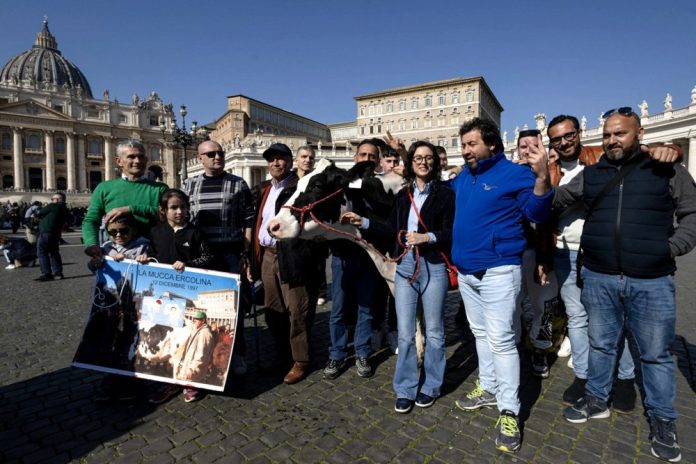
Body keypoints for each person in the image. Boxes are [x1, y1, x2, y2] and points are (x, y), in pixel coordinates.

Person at [556, 108, 696, 462]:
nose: (612, 140)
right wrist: (538, 178)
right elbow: (555, 201)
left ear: (639, 132)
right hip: (600, 276)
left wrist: (671, 247)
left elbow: (692, 214)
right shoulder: (593, 174)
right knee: (601, 346)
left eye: (619, 134)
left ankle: (663, 420)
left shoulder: (667, 168)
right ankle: (597, 400)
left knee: (655, 355)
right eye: (606, 135)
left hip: (652, 280)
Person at [451, 118, 552, 453]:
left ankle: (510, 410)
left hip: (498, 271)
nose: (465, 150)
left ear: (491, 144)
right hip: (466, 273)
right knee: (480, 335)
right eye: (463, 144)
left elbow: (537, 211)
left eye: (471, 144)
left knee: (502, 342)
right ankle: (489, 386)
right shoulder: (464, 176)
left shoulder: (515, 173)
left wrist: (541, 178)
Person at [342, 141, 454, 413]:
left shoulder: (446, 195)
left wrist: (428, 237)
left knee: (436, 332)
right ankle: (405, 388)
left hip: (433, 266)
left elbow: (452, 232)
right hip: (405, 266)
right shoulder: (404, 196)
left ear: (435, 163)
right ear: (411, 162)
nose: (424, 162)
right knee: (405, 334)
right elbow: (392, 228)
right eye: (418, 158)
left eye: (429, 158)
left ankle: (431, 386)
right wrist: (363, 223)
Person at [249, 143, 322, 384]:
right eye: (271, 160)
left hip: (292, 253)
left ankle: (301, 360)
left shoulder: (299, 186)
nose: (275, 164)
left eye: (281, 159)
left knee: (297, 309)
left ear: (290, 163)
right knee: (273, 309)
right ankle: (283, 354)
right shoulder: (263, 189)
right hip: (268, 254)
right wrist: (251, 258)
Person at [183, 140, 254, 376]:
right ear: (199, 158)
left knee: (233, 308)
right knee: (201, 307)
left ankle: (238, 355)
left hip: (229, 253)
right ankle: (206, 356)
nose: (217, 157)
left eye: (220, 153)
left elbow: (248, 220)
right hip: (199, 256)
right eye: (211, 154)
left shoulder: (238, 184)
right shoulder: (189, 185)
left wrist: (245, 252)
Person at [146, 188, 215, 404]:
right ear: (163, 210)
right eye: (174, 208)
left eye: (183, 207)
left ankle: (190, 381)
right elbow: (150, 255)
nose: (179, 212)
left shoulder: (194, 232)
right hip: (162, 299)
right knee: (168, 341)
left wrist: (189, 264)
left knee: (187, 342)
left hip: (187, 298)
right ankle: (168, 382)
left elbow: (208, 256)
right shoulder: (155, 232)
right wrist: (144, 258)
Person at [323, 139, 384, 380]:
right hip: (342, 255)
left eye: (372, 156)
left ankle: (362, 352)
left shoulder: (381, 186)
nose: (367, 159)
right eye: (363, 155)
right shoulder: (340, 185)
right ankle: (337, 354)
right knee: (338, 309)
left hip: (369, 257)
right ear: (355, 158)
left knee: (366, 309)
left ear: (378, 161)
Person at [515, 130, 560, 379]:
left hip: (542, 251)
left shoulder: (556, 172)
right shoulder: (510, 175)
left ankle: (541, 349)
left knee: (544, 304)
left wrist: (545, 258)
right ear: (517, 149)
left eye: (535, 145)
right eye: (524, 146)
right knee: (511, 304)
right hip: (513, 253)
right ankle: (512, 344)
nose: (529, 150)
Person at [82, 140, 168, 264]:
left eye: (141, 156)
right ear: (119, 161)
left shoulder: (160, 188)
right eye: (131, 157)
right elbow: (91, 220)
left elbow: (167, 216)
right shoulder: (104, 188)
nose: (137, 161)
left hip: (151, 256)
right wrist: (91, 243)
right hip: (115, 256)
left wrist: (131, 209)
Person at [87, 212, 152, 272]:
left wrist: (140, 259)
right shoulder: (105, 247)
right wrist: (93, 263)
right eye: (113, 232)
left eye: (124, 231)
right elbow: (92, 267)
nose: (118, 235)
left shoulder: (143, 247)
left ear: (134, 230)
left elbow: (152, 267)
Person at [175, 311, 215, 403]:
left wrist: (192, 369)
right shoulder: (197, 328)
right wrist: (184, 318)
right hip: (189, 361)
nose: (195, 321)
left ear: (203, 321)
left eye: (197, 319)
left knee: (194, 380)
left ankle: (195, 391)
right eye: (194, 319)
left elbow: (202, 354)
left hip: (195, 366)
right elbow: (190, 324)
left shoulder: (205, 333)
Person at [35, 193, 68, 281]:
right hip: (56, 233)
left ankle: (46, 273)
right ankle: (58, 273)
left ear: (57, 200)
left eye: (52, 199)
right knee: (54, 252)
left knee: (42, 252)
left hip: (46, 232)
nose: (51, 200)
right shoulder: (64, 208)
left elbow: (39, 213)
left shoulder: (53, 206)